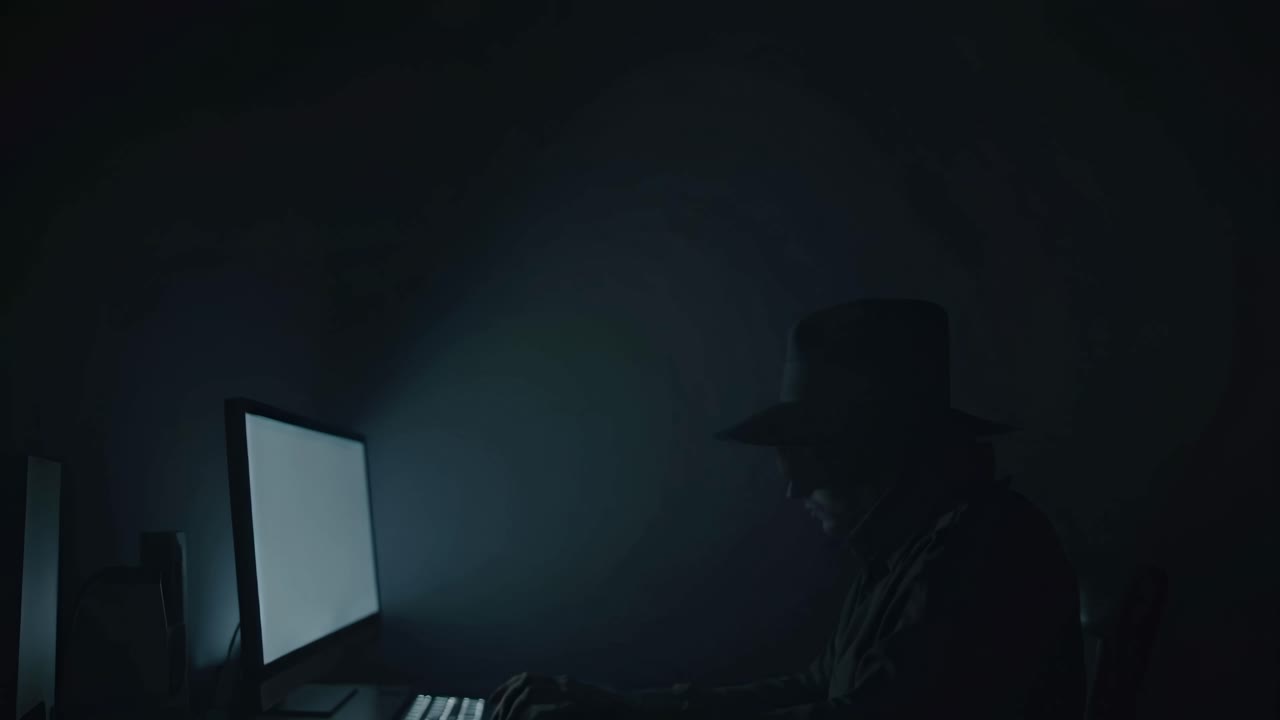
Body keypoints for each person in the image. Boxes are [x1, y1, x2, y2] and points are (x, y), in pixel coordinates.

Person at [488, 299, 1086, 720]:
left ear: (870, 447)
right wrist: (624, 708)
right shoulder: (918, 544)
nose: (793, 491)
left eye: (807, 455)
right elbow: (821, 688)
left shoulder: (983, 552)